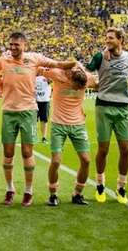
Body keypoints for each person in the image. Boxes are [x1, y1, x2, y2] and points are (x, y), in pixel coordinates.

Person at [0, 31, 75, 206]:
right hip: (8, 111)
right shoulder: (3, 60)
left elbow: (57, 63)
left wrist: (73, 63)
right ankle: (10, 189)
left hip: (28, 111)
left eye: (17, 45)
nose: (13, 48)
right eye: (11, 44)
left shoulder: (34, 58)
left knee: (27, 152)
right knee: (8, 153)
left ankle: (28, 191)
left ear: (24, 45)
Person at [85, 27, 128, 204]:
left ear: (120, 39)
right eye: (106, 38)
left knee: (126, 149)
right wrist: (94, 82)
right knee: (103, 149)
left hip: (123, 107)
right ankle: (100, 184)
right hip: (104, 106)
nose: (107, 41)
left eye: (111, 38)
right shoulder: (100, 56)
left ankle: (121, 186)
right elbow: (86, 70)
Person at [41, 63, 97, 206]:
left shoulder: (88, 78)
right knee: (56, 161)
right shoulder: (57, 74)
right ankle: (53, 195)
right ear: (70, 79)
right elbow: (37, 68)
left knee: (86, 160)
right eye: (76, 86)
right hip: (58, 125)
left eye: (81, 88)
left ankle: (77, 194)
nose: (79, 89)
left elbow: (100, 83)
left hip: (78, 125)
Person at [35, 73, 51, 144]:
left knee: (44, 120)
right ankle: (33, 136)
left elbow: (51, 80)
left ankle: (44, 137)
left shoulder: (47, 75)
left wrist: (48, 76)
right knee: (33, 120)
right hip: (34, 101)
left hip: (45, 101)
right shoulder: (32, 75)